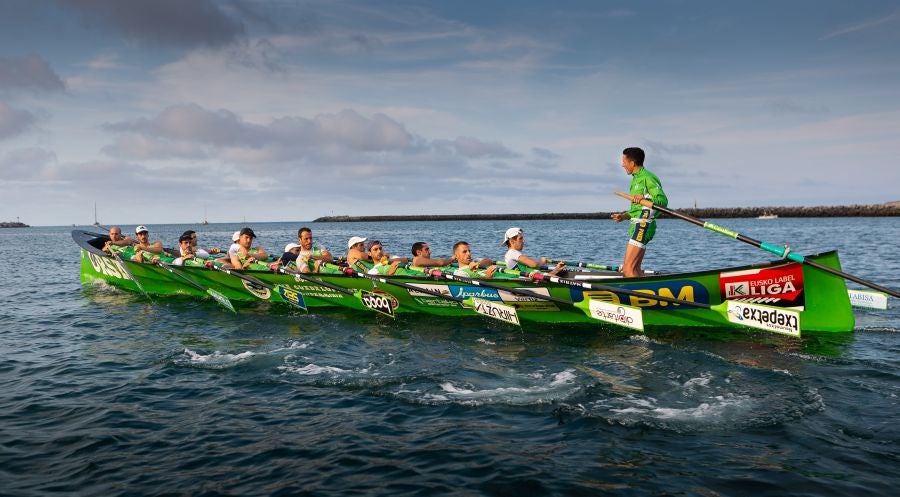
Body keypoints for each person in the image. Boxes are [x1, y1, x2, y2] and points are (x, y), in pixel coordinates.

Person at [610, 147, 668, 278]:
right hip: (637, 224)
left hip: (643, 225)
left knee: (627, 269)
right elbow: (638, 208)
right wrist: (624, 216)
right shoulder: (636, 179)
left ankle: (633, 297)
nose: (622, 164)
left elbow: (662, 201)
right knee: (634, 269)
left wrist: (645, 199)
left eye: (624, 161)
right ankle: (646, 293)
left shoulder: (648, 177)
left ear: (632, 163)